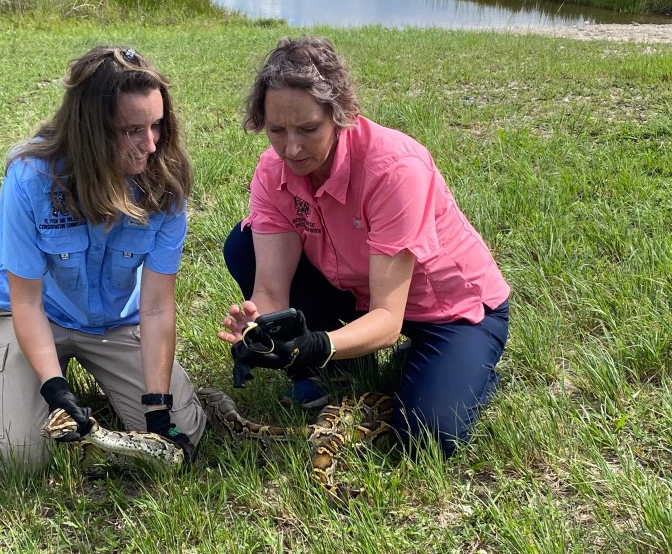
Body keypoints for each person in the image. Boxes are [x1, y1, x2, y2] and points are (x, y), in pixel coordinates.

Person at [218, 36, 510, 458]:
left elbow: (389, 319)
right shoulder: (273, 172)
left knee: (426, 438)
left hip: (449, 311)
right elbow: (270, 290)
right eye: (276, 130)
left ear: (341, 115)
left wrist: (318, 344)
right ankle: (334, 372)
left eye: (308, 129)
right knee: (243, 246)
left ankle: (467, 367)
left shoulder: (393, 169)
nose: (291, 148)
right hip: (359, 293)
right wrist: (260, 330)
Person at [0, 45, 205, 473]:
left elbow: (156, 304)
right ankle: (14, 378)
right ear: (89, 128)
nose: (150, 145)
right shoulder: (30, 178)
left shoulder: (166, 184)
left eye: (156, 126)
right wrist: (55, 390)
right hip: (38, 313)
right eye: (132, 130)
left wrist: (157, 409)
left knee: (181, 433)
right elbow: (25, 301)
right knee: (16, 456)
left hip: (116, 319)